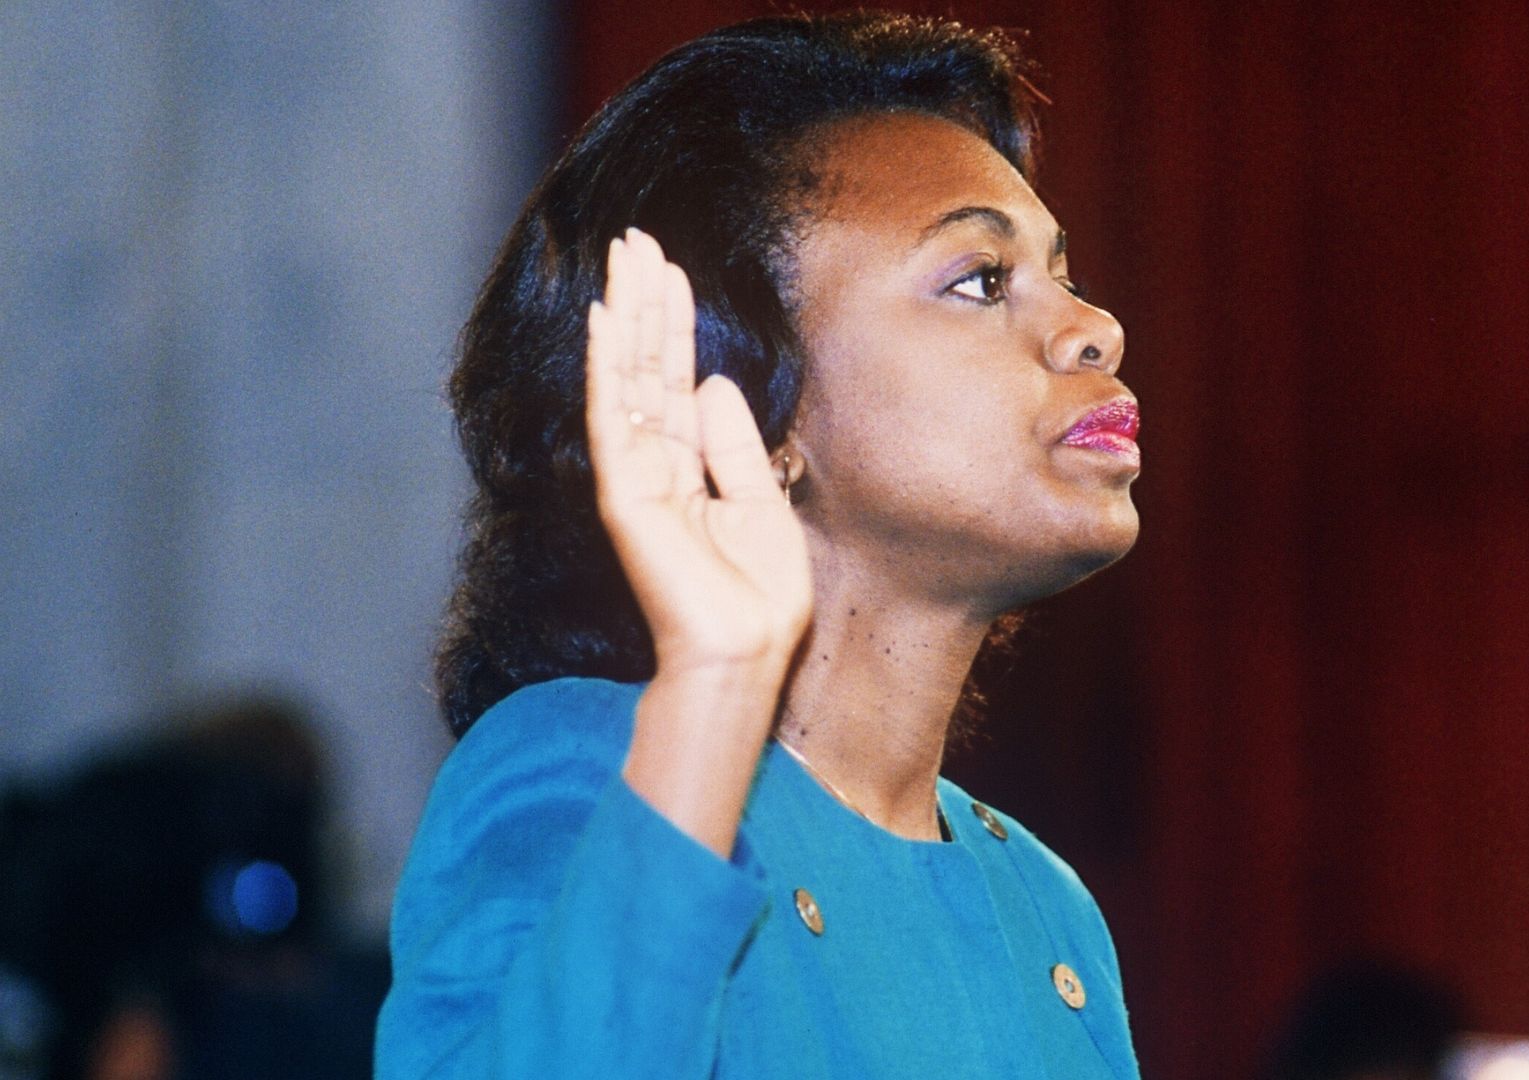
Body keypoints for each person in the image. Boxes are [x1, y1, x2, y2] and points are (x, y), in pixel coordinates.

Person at [375, 11, 1141, 1078]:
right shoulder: (595, 765)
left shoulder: (1046, 909)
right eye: (980, 279)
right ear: (756, 414)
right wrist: (717, 691)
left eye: (1063, 271)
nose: (1092, 325)